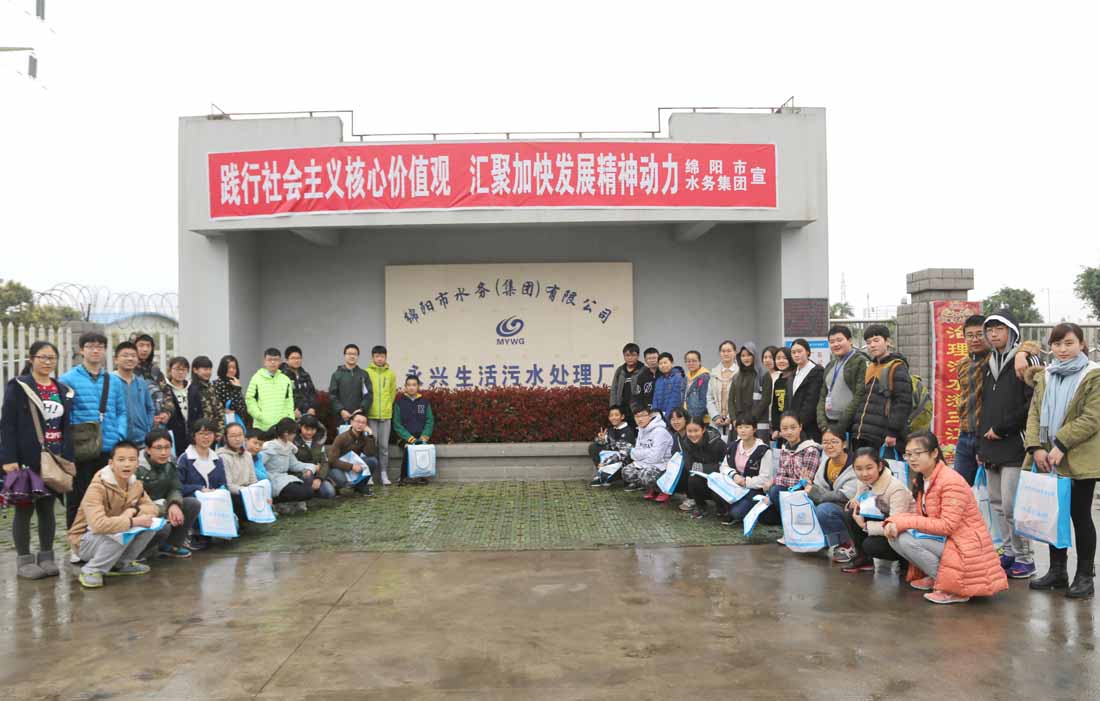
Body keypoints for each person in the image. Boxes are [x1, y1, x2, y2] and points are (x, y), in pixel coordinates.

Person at [885, 431, 1008, 604]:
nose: (912, 459)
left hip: (965, 545)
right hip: (948, 541)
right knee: (895, 537)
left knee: (906, 540)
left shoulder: (950, 481)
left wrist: (904, 522)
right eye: (908, 454)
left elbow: (947, 526)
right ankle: (939, 578)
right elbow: (922, 517)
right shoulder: (923, 479)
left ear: (934, 453)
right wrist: (894, 522)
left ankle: (954, 589)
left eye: (918, 453)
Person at [1025, 323, 1100, 599]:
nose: (1063, 349)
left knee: (1080, 516)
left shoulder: (1093, 374)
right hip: (1048, 457)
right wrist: (1035, 447)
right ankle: (1058, 571)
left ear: (1082, 344)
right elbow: (1034, 413)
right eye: (1057, 344)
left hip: (1078, 457)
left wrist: (1061, 443)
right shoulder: (1046, 375)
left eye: (1069, 343)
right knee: (1053, 515)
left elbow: (1092, 418)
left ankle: (1085, 576)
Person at [1, 341, 74, 579]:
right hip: (26, 458)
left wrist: (68, 456)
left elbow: (66, 426)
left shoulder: (62, 389)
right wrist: (8, 458)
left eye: (51, 358)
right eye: (42, 357)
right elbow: (8, 424)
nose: (47, 362)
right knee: (24, 509)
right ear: (31, 359)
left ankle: (47, 557)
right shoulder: (19, 386)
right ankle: (24, 560)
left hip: (54, 459)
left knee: (47, 509)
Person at [979, 310, 1043, 579]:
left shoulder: (1025, 360)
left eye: (1000, 329)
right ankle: (1009, 552)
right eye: (990, 329)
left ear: (1012, 331)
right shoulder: (989, 363)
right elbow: (985, 407)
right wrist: (982, 445)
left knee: (1012, 505)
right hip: (990, 444)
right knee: (996, 503)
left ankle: (1025, 557)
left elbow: (1033, 404)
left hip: (1015, 444)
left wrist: (1002, 428)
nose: (994, 334)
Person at [67, 441, 166, 589]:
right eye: (121, 460)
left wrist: (133, 512)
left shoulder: (135, 484)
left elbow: (151, 508)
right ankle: (92, 570)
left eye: (132, 460)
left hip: (116, 531)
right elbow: (98, 525)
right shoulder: (97, 487)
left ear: (137, 464)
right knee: (119, 533)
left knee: (150, 525)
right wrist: (131, 521)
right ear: (111, 463)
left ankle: (120, 564)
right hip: (85, 541)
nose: (127, 464)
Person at [954, 316, 1040, 485]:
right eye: (970, 335)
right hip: (966, 434)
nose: (975, 339)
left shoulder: (995, 359)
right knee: (959, 487)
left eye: (979, 334)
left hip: (991, 434)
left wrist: (1022, 353)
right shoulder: (962, 364)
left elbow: (1031, 345)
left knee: (992, 493)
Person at [60, 332, 128, 530]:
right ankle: (76, 538)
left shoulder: (113, 380)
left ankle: (103, 536)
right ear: (82, 350)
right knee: (78, 496)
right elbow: (64, 414)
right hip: (81, 448)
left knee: (107, 495)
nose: (95, 350)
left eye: (100, 346)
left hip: (108, 446)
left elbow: (121, 411)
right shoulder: (68, 379)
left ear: (105, 350)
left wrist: (120, 434)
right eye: (90, 346)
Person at [816, 448, 915, 574]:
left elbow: (896, 525)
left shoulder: (895, 488)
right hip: (881, 521)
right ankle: (864, 559)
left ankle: (906, 561)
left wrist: (865, 525)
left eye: (869, 468)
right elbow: (858, 499)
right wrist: (854, 503)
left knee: (871, 545)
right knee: (851, 514)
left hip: (902, 532)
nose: (864, 473)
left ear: (879, 466)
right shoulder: (863, 482)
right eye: (859, 469)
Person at [136, 428, 200, 559]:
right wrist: (165, 508)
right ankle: (138, 553)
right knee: (163, 526)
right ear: (148, 449)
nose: (163, 452)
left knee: (192, 504)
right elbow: (136, 499)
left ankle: (170, 545)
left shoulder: (170, 463)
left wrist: (174, 504)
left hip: (163, 505)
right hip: (143, 510)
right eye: (158, 448)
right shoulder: (137, 467)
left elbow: (175, 487)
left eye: (167, 447)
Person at [851, 324, 912, 453]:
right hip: (862, 434)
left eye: (876, 340)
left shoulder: (897, 367)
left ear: (888, 341)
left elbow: (902, 402)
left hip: (881, 436)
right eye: (868, 342)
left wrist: (892, 432)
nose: (872, 345)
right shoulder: (870, 366)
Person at [802, 427, 859, 559]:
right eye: (825, 442)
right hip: (831, 503)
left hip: (849, 507)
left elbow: (845, 495)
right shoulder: (826, 462)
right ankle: (827, 542)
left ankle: (847, 544)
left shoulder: (855, 464)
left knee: (824, 510)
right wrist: (809, 485)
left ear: (844, 444)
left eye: (834, 442)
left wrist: (817, 493)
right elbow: (818, 487)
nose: (829, 446)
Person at [764, 412, 823, 533]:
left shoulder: (810, 449)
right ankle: (788, 522)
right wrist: (776, 481)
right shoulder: (784, 448)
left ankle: (793, 527)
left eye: (793, 427)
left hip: (805, 492)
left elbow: (805, 482)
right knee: (764, 515)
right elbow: (781, 474)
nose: (789, 432)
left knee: (775, 490)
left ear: (800, 427)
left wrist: (777, 481)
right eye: (785, 428)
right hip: (789, 490)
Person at [176, 418, 228, 549]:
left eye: (209, 433)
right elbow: (178, 487)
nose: (206, 437)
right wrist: (199, 489)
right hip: (192, 501)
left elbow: (222, 483)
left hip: (213, 504)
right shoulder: (185, 459)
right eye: (201, 433)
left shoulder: (217, 459)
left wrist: (220, 491)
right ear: (193, 436)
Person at [716, 415, 775, 526]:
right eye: (740, 427)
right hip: (735, 485)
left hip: (754, 489)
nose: (743, 430)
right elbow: (724, 466)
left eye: (747, 427)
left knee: (736, 513)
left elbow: (765, 479)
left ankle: (740, 511)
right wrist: (734, 475)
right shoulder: (733, 446)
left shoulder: (763, 450)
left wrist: (745, 482)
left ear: (754, 429)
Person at [816, 325, 870, 443]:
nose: (835, 344)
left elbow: (860, 395)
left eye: (839, 340)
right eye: (832, 342)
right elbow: (823, 396)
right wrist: (823, 425)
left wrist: (841, 425)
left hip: (850, 424)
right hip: (829, 423)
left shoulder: (860, 361)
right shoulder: (830, 365)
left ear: (850, 341)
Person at [261, 417, 317, 513]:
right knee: (302, 492)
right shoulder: (270, 447)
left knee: (308, 491)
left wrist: (310, 467)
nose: (295, 435)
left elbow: (294, 464)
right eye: (294, 433)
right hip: (272, 480)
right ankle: (274, 502)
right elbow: (258, 464)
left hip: (285, 479)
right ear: (286, 433)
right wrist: (266, 477)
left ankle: (285, 503)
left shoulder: (288, 446)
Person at [681, 417, 727, 519]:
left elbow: (725, 465)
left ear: (703, 429)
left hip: (719, 478)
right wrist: (707, 468)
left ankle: (722, 507)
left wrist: (702, 467)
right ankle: (700, 505)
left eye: (696, 430)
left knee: (718, 480)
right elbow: (689, 466)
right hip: (701, 477)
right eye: (689, 431)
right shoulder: (686, 443)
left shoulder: (716, 443)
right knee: (692, 479)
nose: (693, 434)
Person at [393, 375, 436, 485]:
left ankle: (421, 477)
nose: (411, 387)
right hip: (404, 437)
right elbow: (397, 424)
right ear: (405, 387)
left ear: (418, 386)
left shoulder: (424, 402)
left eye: (414, 385)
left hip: (421, 436)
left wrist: (424, 436)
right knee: (409, 448)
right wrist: (409, 438)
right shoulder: (399, 403)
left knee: (423, 448)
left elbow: (429, 420)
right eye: (409, 385)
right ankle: (403, 477)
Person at [621, 406, 673, 497]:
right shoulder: (641, 430)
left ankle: (663, 490)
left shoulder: (660, 432)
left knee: (645, 475)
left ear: (650, 415)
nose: (640, 419)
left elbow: (655, 458)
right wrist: (647, 453)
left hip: (662, 466)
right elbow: (634, 454)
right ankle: (652, 488)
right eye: (637, 416)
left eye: (643, 415)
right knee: (626, 472)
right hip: (646, 464)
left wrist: (641, 454)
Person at [366, 345, 398, 486]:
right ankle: (370, 475)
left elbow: (392, 393)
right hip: (371, 415)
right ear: (373, 357)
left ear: (385, 357)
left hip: (386, 415)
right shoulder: (366, 373)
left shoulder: (390, 374)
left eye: (382, 356)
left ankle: (384, 473)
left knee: (384, 447)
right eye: (377, 356)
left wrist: (387, 406)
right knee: (371, 446)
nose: (379, 359)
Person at [218, 422, 263, 524]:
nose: (237, 439)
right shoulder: (222, 457)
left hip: (247, 491)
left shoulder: (247, 455)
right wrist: (247, 492)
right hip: (233, 494)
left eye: (240, 435)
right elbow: (228, 485)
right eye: (233, 436)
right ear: (226, 438)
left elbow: (253, 479)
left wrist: (256, 491)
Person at [112, 341, 155, 447]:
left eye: (133, 356)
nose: (130, 358)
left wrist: (147, 427)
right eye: (125, 355)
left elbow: (150, 408)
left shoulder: (141, 382)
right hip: (117, 440)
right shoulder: (109, 381)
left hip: (141, 439)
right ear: (115, 360)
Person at [326, 410, 377, 497]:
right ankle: (335, 486)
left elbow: (370, 453)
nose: (360, 424)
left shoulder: (363, 438)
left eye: (363, 423)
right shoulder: (341, 438)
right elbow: (332, 460)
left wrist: (370, 434)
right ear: (351, 422)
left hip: (354, 464)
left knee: (373, 461)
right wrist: (351, 466)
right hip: (338, 466)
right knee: (341, 480)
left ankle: (361, 486)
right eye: (358, 422)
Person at [245, 348, 295, 433]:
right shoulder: (256, 378)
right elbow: (249, 399)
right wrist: (258, 415)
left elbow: (289, 401)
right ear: (264, 362)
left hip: (281, 426)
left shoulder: (285, 379)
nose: (272, 362)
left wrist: (290, 418)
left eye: (276, 360)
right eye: (269, 360)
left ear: (280, 362)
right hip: (262, 426)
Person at [588, 404, 636, 486]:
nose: (613, 417)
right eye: (611, 415)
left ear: (622, 416)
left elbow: (624, 454)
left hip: (624, 463)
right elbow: (605, 445)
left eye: (616, 415)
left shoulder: (629, 432)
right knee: (594, 447)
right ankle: (603, 474)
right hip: (612, 461)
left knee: (620, 458)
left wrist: (606, 463)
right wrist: (601, 439)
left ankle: (608, 476)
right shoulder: (611, 430)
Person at [787, 338, 825, 442]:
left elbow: (811, 402)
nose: (796, 355)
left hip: (810, 427)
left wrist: (798, 425)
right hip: (794, 427)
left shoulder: (817, 372)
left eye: (799, 351)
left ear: (808, 352)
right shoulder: (793, 374)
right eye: (793, 352)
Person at [134, 334, 173, 432]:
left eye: (148, 346)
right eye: (141, 345)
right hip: (137, 425)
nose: (145, 349)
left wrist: (166, 413)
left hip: (159, 424)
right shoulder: (129, 371)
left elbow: (167, 394)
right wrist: (148, 418)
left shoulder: (155, 371)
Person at [294, 415, 335, 498]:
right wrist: (310, 468)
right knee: (308, 477)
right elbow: (292, 464)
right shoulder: (294, 442)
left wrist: (319, 478)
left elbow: (324, 463)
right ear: (300, 427)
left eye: (312, 429)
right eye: (306, 429)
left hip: (317, 474)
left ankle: (313, 490)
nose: (309, 432)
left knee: (329, 492)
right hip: (302, 474)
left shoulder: (319, 442)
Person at [728, 342, 764, 437]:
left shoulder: (763, 375)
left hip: (755, 421)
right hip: (738, 421)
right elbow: (730, 400)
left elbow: (765, 400)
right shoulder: (736, 377)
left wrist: (750, 420)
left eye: (749, 355)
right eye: (743, 356)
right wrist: (734, 419)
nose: (746, 358)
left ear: (754, 356)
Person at [707, 341, 739, 440]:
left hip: (735, 420)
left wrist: (731, 416)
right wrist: (715, 416)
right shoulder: (713, 373)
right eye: (723, 351)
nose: (726, 353)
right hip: (716, 422)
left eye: (729, 351)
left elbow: (741, 399)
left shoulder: (740, 373)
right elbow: (709, 397)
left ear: (735, 353)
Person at [188, 356, 224, 439]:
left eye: (210, 369)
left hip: (214, 432)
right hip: (200, 433)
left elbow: (219, 410)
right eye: (205, 369)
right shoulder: (191, 389)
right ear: (195, 370)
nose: (208, 372)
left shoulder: (211, 387)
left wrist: (220, 432)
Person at [213, 355, 250, 431]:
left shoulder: (235, 383)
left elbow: (242, 408)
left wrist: (237, 388)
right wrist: (237, 389)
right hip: (222, 425)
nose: (231, 370)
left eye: (234, 368)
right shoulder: (217, 384)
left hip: (238, 422)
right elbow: (231, 407)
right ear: (223, 368)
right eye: (229, 367)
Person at [281, 345, 318, 419]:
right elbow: (282, 396)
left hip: (307, 414)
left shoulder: (305, 375)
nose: (296, 360)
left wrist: (312, 407)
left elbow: (312, 393)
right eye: (293, 358)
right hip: (289, 415)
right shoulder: (282, 376)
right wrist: (293, 409)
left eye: (298, 358)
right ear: (286, 360)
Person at [767, 347, 796, 442]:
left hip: (792, 426)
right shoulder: (778, 380)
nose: (781, 361)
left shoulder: (795, 378)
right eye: (778, 358)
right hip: (780, 427)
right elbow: (775, 407)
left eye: (784, 358)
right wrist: (776, 428)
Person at [164, 356, 191, 453]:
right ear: (170, 370)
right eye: (177, 369)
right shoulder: (165, 389)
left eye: (183, 370)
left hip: (190, 432)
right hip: (173, 432)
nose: (180, 372)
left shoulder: (192, 388)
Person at [609, 343, 643, 418]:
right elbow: (614, 389)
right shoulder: (620, 370)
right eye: (627, 355)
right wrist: (613, 407)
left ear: (638, 356)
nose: (630, 358)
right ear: (624, 356)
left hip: (638, 409)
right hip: (621, 408)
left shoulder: (643, 370)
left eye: (633, 355)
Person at [651, 352, 686, 421]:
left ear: (671, 363)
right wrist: (655, 415)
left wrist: (666, 417)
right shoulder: (659, 380)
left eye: (665, 362)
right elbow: (655, 399)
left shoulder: (678, 378)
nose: (663, 365)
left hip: (673, 417)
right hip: (659, 418)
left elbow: (675, 400)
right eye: (660, 363)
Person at [683, 350, 710, 420]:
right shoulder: (686, 377)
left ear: (700, 362)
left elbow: (704, 400)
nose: (691, 363)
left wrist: (696, 418)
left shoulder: (704, 377)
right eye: (688, 361)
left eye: (694, 361)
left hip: (698, 417)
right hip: (686, 414)